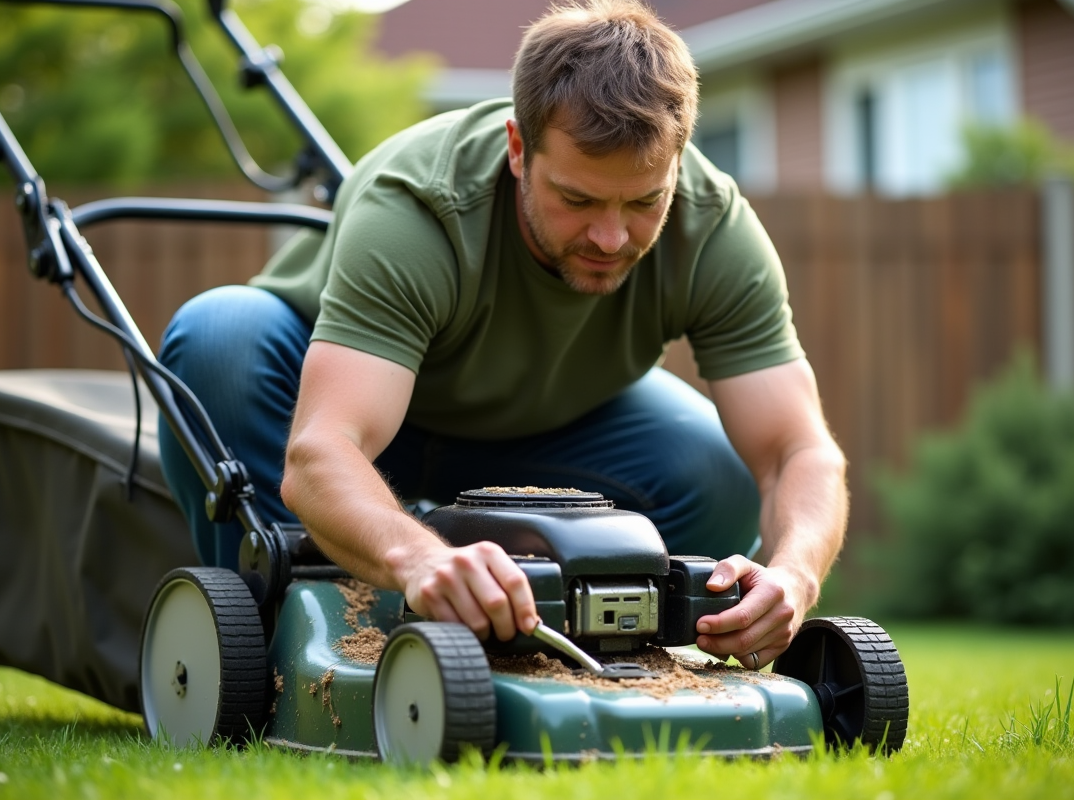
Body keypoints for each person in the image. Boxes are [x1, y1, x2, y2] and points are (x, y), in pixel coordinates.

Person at [157, 0, 847, 670]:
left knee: (713, 467)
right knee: (218, 335)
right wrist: (419, 557)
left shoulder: (715, 227)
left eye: (644, 202)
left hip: (547, 437)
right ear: (519, 149)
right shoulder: (419, 208)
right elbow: (319, 454)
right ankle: (282, 641)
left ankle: (599, 645)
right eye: (577, 199)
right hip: (355, 407)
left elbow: (798, 450)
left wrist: (793, 575)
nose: (611, 237)